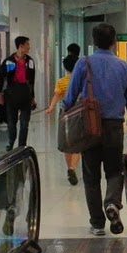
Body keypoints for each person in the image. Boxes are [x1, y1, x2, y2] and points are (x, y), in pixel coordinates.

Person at [63, 23, 127, 235]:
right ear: (114, 41)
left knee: (91, 175)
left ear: (93, 41)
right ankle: (112, 203)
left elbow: (70, 97)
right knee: (115, 170)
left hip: (89, 126)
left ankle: (97, 224)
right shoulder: (124, 67)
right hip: (114, 126)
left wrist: (64, 113)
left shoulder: (83, 63)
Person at [42, 56, 81, 185]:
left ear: (65, 68)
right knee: (78, 143)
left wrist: (51, 107)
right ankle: (72, 168)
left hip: (65, 114)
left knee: (66, 142)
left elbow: (57, 95)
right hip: (78, 113)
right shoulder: (81, 80)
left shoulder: (61, 82)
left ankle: (69, 167)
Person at [0, 36, 36, 152]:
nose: (29, 47)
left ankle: (21, 146)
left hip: (25, 93)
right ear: (21, 46)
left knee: (24, 123)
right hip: (12, 93)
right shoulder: (8, 61)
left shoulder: (30, 61)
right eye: (27, 44)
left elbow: (32, 81)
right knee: (12, 122)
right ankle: (11, 141)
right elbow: (1, 78)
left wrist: (32, 97)